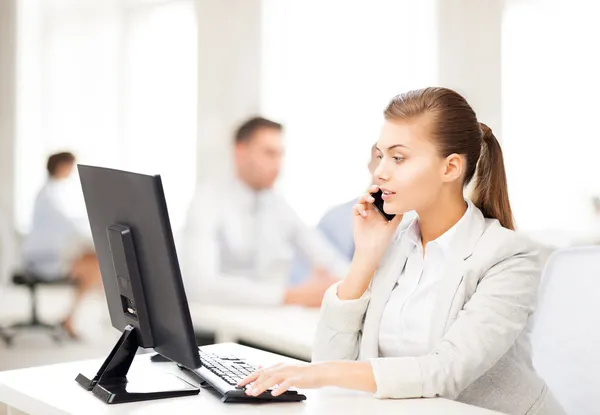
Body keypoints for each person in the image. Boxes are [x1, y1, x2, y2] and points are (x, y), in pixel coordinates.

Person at [238, 88, 565, 415]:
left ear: (450, 168)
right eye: (380, 156)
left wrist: (314, 373)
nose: (380, 171)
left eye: (398, 157)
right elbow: (330, 360)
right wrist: (365, 257)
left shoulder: (510, 256)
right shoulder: (393, 244)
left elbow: (445, 372)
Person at [181, 117, 349, 307]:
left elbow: (325, 257)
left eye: (280, 155)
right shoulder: (207, 202)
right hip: (216, 325)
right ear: (240, 152)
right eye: (269, 154)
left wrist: (355, 285)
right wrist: (289, 296)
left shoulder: (279, 207)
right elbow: (201, 285)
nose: (278, 165)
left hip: (267, 323)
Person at [288, 144, 414, 285]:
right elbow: (304, 272)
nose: (385, 170)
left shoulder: (414, 223)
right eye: (379, 158)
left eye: (396, 160)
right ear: (369, 166)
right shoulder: (332, 220)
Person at [21, 152, 101, 338]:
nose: (71, 171)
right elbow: (68, 226)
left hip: (50, 254)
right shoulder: (48, 195)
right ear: (61, 166)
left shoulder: (52, 191)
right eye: (70, 166)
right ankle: (70, 318)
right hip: (43, 259)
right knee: (95, 265)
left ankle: (71, 318)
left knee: (95, 263)